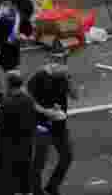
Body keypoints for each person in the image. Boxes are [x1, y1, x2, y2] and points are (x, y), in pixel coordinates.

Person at [27, 63, 75, 195]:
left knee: (67, 156)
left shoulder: (64, 77)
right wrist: (45, 111)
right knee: (39, 161)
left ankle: (52, 187)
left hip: (59, 123)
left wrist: (69, 80)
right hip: (42, 124)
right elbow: (29, 100)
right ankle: (36, 191)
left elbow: (75, 96)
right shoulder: (38, 77)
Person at [0, 72, 38, 195]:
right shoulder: (29, 99)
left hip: (8, 147)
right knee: (24, 175)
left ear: (9, 85)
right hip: (26, 144)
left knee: (5, 178)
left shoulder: (7, 103)